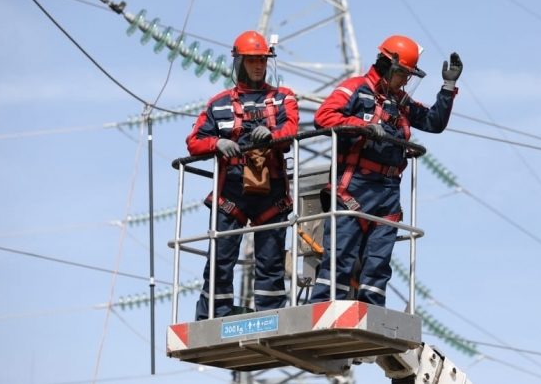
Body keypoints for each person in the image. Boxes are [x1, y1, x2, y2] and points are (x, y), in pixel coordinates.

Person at [310, 34, 462, 306]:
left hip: (388, 193)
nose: (406, 80)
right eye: (403, 73)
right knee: (340, 256)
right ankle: (322, 312)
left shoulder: (400, 101)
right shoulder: (355, 88)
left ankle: (371, 314)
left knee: (378, 263)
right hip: (353, 187)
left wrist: (448, 87)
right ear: (389, 64)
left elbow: (433, 122)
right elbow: (323, 117)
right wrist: (362, 125)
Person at [187, 30, 299, 319]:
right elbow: (194, 142)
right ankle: (214, 313)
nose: (259, 66)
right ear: (240, 62)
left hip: (271, 190)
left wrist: (272, 136)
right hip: (232, 191)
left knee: (271, 260)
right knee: (220, 258)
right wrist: (217, 143)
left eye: (262, 60)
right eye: (252, 61)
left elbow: (290, 132)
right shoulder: (219, 103)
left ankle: (271, 314)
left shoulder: (283, 98)